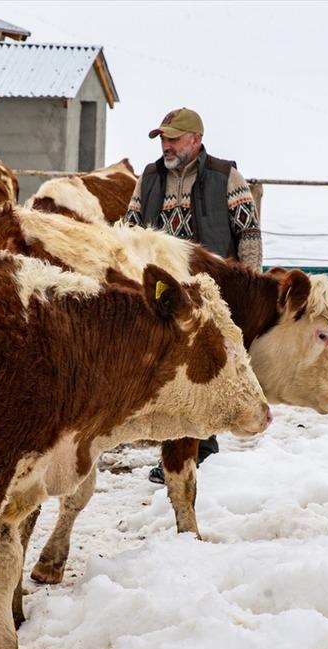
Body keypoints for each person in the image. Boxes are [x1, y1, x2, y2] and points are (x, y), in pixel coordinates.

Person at [125, 108, 263, 483]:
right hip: (163, 293)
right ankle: (181, 448)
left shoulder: (225, 176)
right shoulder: (150, 178)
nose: (166, 145)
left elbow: (248, 232)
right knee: (169, 369)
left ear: (195, 140)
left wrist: (247, 284)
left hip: (211, 292)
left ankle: (201, 449)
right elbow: (129, 228)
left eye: (173, 138)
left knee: (207, 366)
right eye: (163, 138)